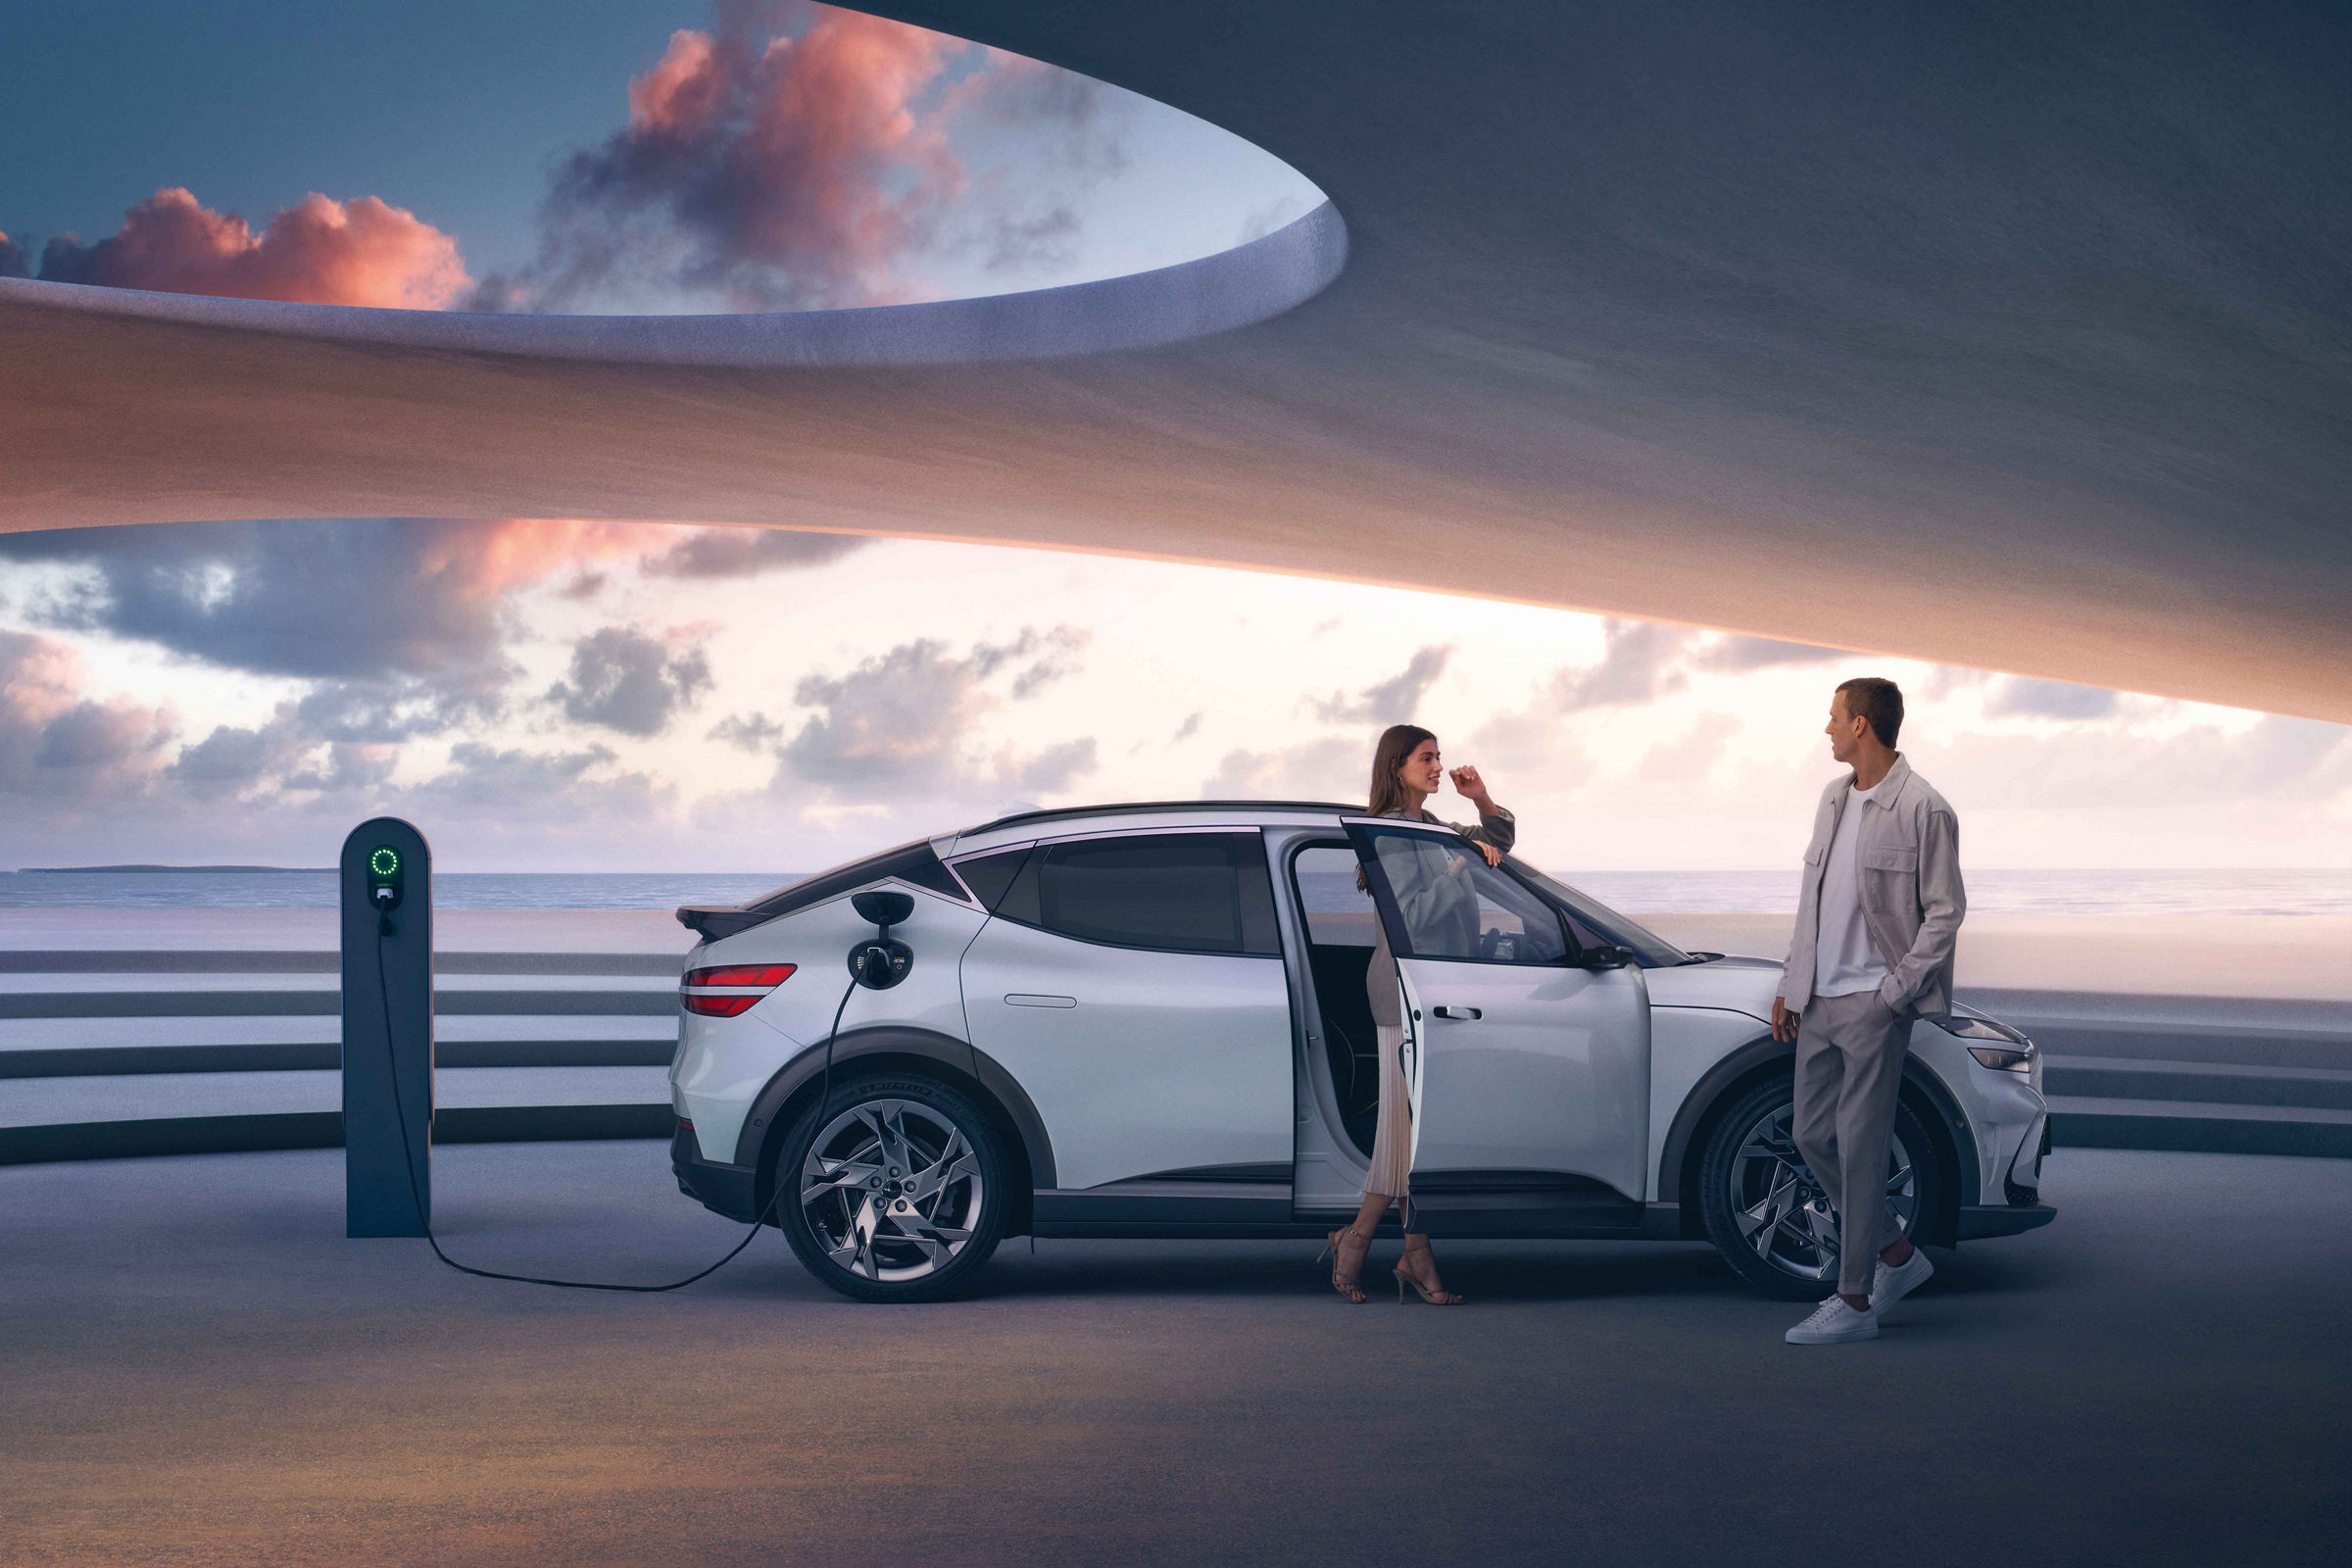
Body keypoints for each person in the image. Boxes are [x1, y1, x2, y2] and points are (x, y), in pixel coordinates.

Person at [1773, 677, 1965, 1346]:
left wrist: (1895, 992)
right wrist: (1794, 986)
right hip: (1820, 999)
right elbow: (1813, 902)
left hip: (1876, 1005)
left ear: (1861, 725)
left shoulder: (1924, 809)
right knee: (1810, 1135)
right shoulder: (1832, 799)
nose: (1826, 729)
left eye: (1833, 718)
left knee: (1860, 1150)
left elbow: (1946, 912)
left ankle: (1853, 1303)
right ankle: (1896, 1255)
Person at [1318, 724, 1512, 1305]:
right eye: (1427, 759)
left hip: (1437, 990)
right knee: (1403, 1134)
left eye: (1439, 758)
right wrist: (1458, 869)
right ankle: (1369, 1243)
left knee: (1412, 1133)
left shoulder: (1432, 828)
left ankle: (1406, 1251)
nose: (1437, 767)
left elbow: (1501, 838)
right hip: (1403, 991)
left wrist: (1478, 799)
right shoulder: (1390, 836)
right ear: (1396, 765)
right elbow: (1415, 915)